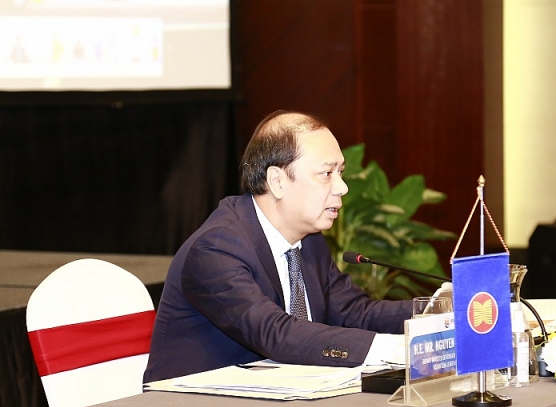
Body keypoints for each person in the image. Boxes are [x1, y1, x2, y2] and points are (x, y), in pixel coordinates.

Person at [144, 111, 413, 383]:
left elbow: (356, 313)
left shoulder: (309, 241)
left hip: (279, 394)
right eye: (326, 174)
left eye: (340, 172)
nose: (341, 187)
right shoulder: (217, 248)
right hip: (194, 402)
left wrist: (432, 310)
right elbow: (275, 333)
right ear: (277, 181)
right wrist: (394, 349)